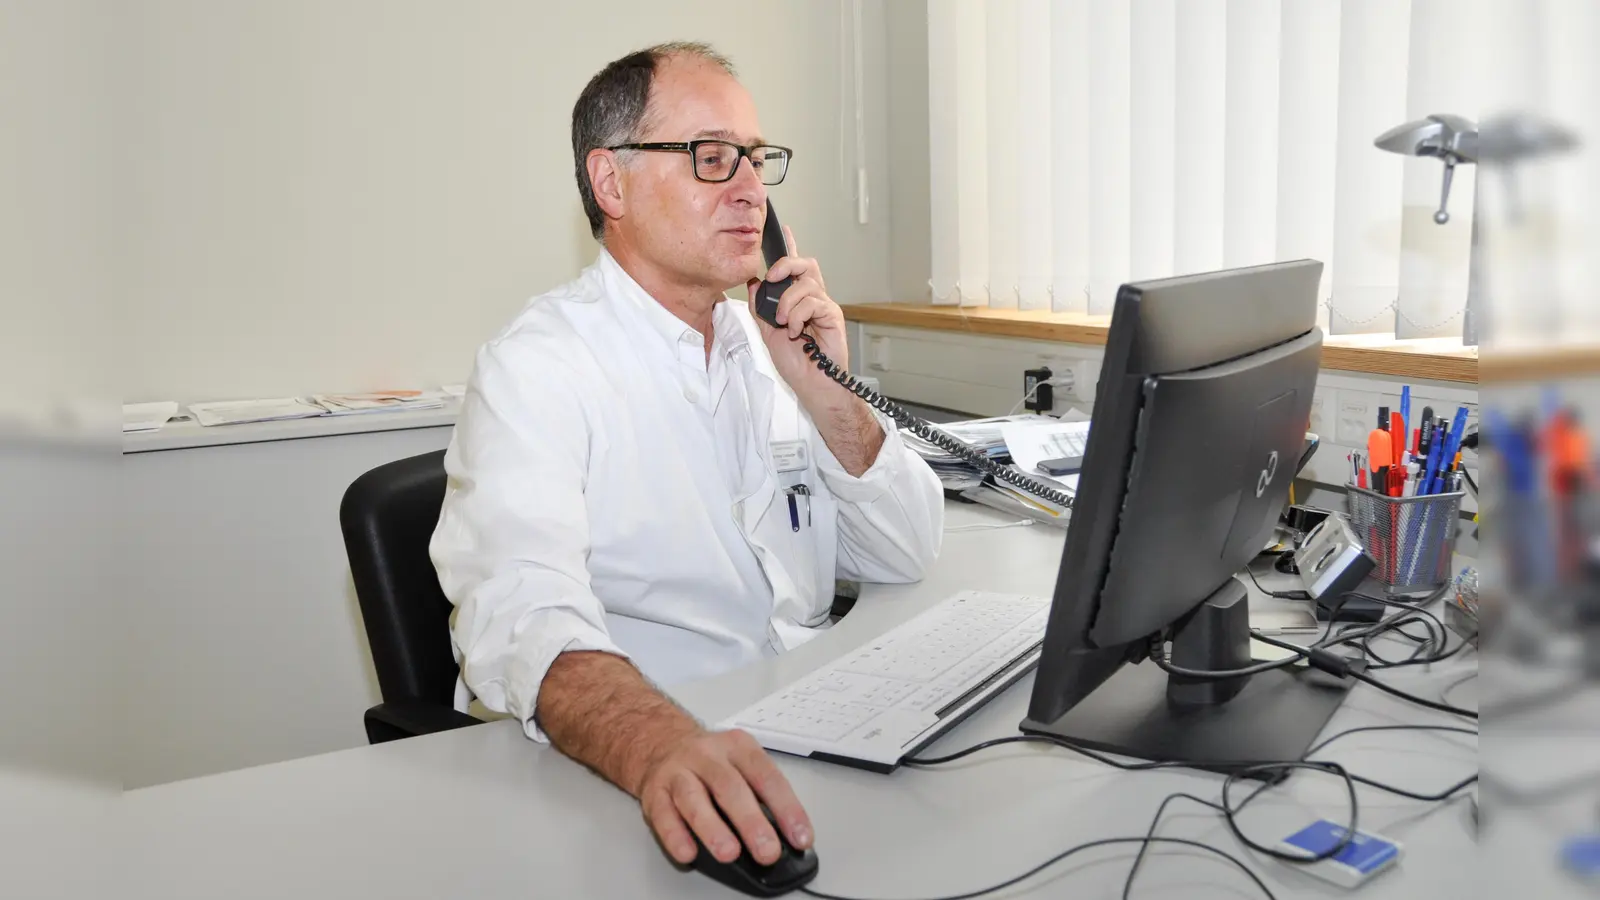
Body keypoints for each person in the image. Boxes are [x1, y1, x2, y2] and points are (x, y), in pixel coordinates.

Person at [430, 42, 944, 870]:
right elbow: (519, 614)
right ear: (611, 183)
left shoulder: (769, 346)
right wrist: (661, 747)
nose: (750, 188)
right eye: (711, 159)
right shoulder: (537, 367)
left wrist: (828, 391)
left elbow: (904, 552)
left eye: (755, 158)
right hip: (640, 778)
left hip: (804, 741)